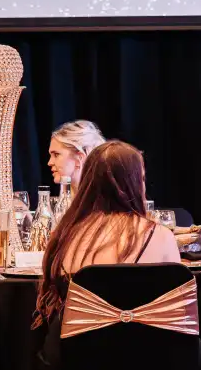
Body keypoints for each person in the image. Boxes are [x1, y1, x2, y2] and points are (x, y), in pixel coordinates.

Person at [34, 140, 180, 369]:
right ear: (133, 183)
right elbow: (175, 308)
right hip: (147, 353)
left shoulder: (65, 234)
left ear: (88, 183)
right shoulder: (160, 235)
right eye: (142, 179)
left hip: (76, 353)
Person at [47, 120, 106, 192]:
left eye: (56, 154)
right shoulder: (64, 196)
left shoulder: (103, 196)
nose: (49, 163)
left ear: (79, 158)